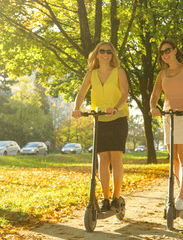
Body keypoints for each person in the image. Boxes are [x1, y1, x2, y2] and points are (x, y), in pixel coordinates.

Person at [72, 42, 130, 212]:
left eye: (109, 52)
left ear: (113, 55)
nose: (105, 54)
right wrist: (77, 108)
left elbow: (125, 93)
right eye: (102, 51)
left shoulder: (119, 72)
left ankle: (116, 197)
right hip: (99, 120)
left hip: (118, 119)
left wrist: (116, 108)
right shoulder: (91, 74)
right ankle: (105, 198)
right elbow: (81, 93)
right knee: (102, 160)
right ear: (96, 54)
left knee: (116, 158)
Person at [150, 39, 183, 211]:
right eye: (162, 52)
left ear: (175, 50)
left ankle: (180, 196)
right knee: (173, 159)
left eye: (168, 50)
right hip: (168, 116)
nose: (165, 54)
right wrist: (153, 107)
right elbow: (156, 93)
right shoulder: (162, 74)